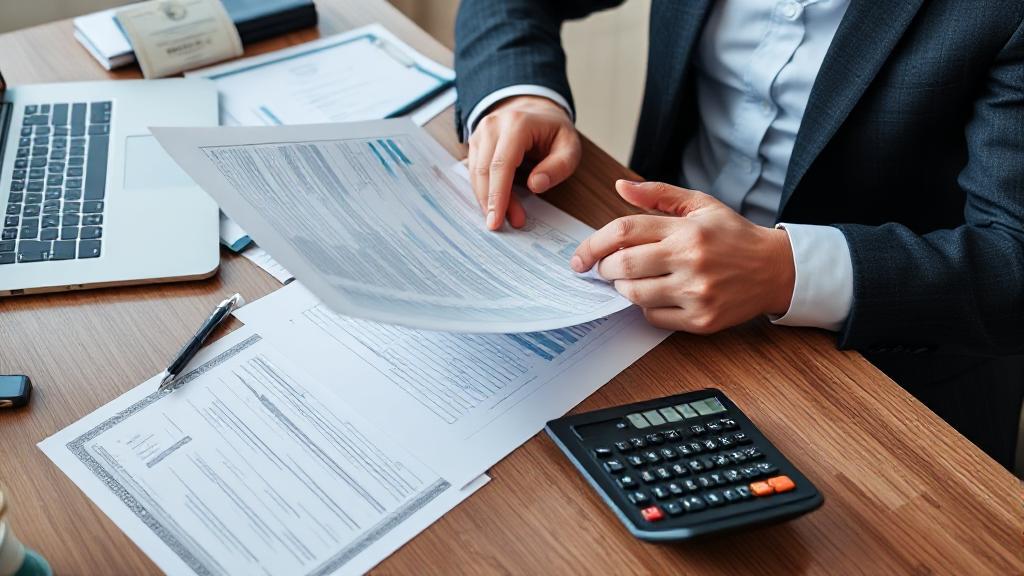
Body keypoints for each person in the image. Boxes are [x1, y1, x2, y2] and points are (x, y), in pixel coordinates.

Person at [453, 0, 1024, 469]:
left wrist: (786, 270)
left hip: (891, 384)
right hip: (641, 297)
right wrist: (519, 94)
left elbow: (1013, 263)